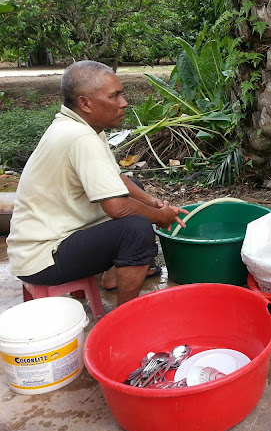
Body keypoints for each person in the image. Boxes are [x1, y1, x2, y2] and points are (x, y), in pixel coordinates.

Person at [7, 60, 187, 305]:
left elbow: (116, 177)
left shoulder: (82, 126)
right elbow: (117, 208)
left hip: (53, 238)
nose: (124, 103)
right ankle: (125, 315)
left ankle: (113, 277)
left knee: (136, 192)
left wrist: (152, 202)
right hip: (42, 258)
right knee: (136, 230)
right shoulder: (81, 137)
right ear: (85, 103)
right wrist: (161, 216)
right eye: (114, 96)